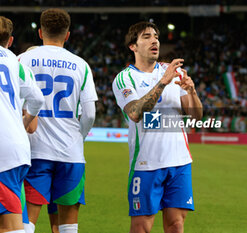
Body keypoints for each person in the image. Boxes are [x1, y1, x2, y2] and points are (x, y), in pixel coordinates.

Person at [113, 21, 202, 233]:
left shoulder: (176, 73)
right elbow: (135, 113)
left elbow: (196, 118)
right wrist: (162, 82)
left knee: (176, 225)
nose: (154, 40)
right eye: (146, 37)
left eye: (156, 36)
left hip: (179, 162)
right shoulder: (125, 78)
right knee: (141, 227)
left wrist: (192, 91)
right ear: (133, 46)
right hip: (146, 164)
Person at [18, 8, 98, 233]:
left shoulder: (23, 59)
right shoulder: (81, 65)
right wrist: (77, 137)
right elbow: (90, 114)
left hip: (34, 151)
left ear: (40, 32)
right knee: (68, 226)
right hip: (70, 153)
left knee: (26, 222)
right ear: (68, 35)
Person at [0, 16, 44, 233]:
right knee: (13, 223)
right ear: (9, 41)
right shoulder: (17, 65)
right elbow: (38, 100)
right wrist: (23, 122)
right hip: (17, 149)